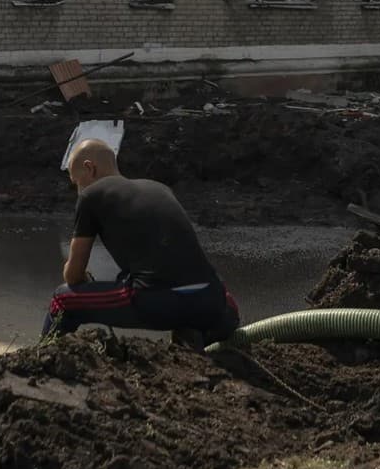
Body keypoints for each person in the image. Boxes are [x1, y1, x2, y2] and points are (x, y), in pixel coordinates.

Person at [42, 139, 240, 345]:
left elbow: (73, 276)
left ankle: (42, 359)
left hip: (157, 303)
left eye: (77, 183)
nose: (78, 191)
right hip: (212, 301)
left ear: (89, 168)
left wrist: (83, 277)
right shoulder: (159, 188)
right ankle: (193, 335)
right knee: (207, 298)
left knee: (62, 300)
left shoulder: (91, 195)